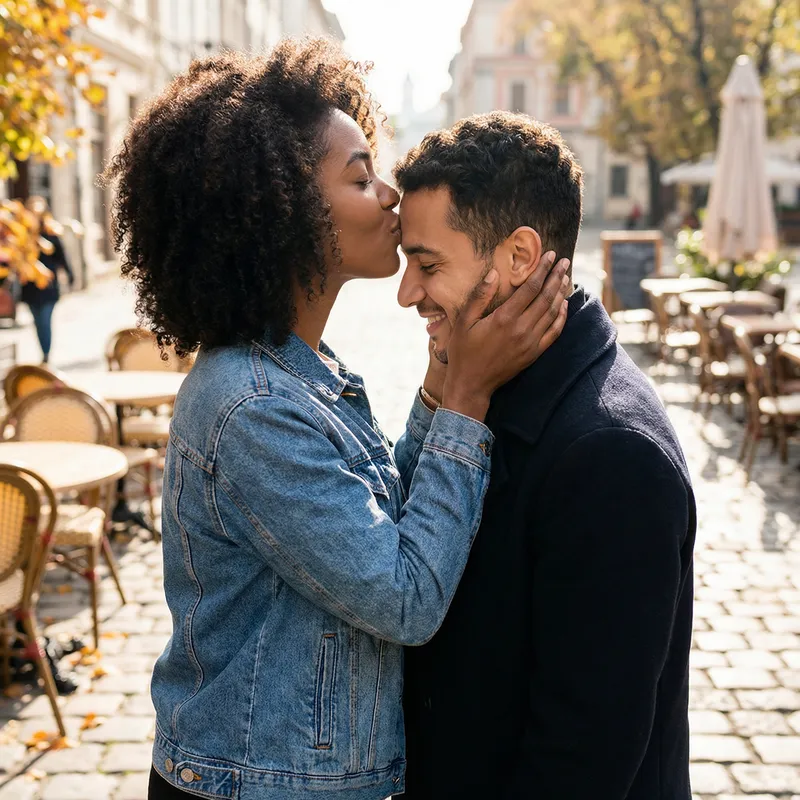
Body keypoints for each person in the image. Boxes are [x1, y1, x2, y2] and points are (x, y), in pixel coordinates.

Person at [102, 42, 571, 800]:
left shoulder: (305, 372)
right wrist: (470, 397)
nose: (389, 195)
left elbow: (384, 524)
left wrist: (447, 369)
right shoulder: (250, 406)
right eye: (359, 177)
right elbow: (405, 598)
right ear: (278, 208)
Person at [395, 112, 696, 800]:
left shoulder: (610, 455)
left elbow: (579, 765)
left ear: (519, 258)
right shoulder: (489, 382)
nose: (407, 293)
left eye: (428, 264)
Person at [21, 197, 74, 363]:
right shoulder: (23, 234)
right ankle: (43, 351)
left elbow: (61, 256)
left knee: (44, 320)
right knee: (37, 322)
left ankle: (45, 355)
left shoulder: (51, 232)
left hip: (49, 284)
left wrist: (69, 274)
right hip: (30, 284)